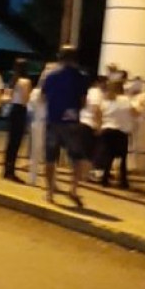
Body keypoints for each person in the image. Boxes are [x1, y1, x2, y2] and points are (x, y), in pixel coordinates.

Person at [41, 45, 91, 208]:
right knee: (76, 157)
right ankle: (73, 189)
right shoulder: (81, 77)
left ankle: (49, 192)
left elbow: (43, 97)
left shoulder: (51, 75)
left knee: (50, 158)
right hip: (72, 121)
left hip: (53, 120)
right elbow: (83, 101)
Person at [96, 78, 134, 188]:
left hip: (107, 130)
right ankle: (123, 181)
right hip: (121, 131)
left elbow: (99, 113)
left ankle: (105, 179)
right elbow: (133, 112)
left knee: (109, 156)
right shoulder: (126, 100)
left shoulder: (106, 100)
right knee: (122, 157)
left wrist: (99, 126)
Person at [1, 58, 32, 182]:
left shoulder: (13, 80)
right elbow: (26, 99)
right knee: (16, 142)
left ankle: (6, 169)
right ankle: (11, 171)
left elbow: (6, 97)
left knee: (10, 142)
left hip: (12, 109)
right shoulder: (26, 81)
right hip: (20, 110)